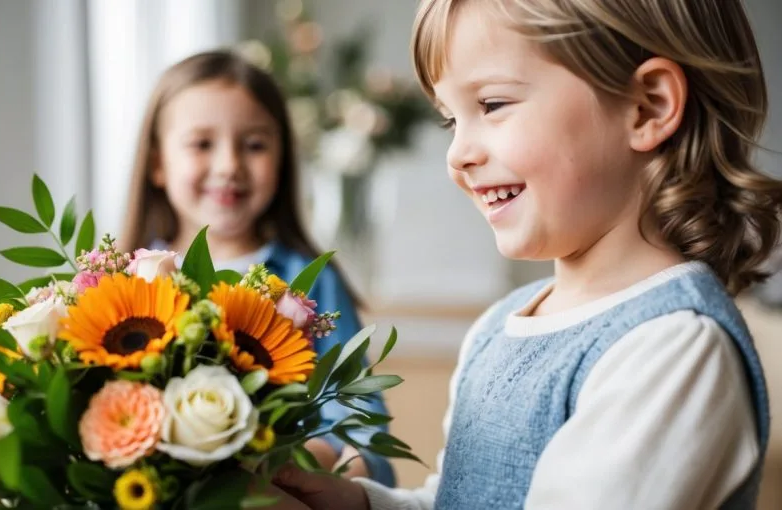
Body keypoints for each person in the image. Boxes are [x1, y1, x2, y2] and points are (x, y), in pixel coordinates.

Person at [272, 0, 782, 508]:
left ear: (647, 106)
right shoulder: (499, 327)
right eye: (452, 121)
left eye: (492, 105)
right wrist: (359, 505)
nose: (458, 153)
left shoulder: (673, 349)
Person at [119, 49, 395, 488]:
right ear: (157, 163)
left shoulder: (310, 282)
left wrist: (306, 464)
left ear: (282, 161)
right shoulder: (123, 284)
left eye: (254, 144)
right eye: (202, 143)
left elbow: (362, 428)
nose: (229, 166)